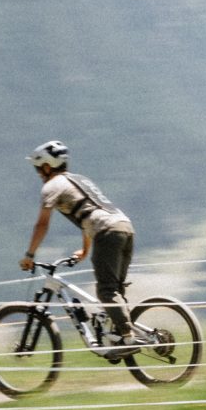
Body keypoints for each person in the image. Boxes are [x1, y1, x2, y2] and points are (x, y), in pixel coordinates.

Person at [21, 139, 136, 348]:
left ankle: (128, 337)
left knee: (106, 291)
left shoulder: (51, 187)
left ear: (47, 167)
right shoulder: (78, 180)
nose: (38, 174)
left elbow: (42, 225)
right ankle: (120, 337)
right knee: (116, 290)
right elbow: (89, 215)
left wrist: (29, 255)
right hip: (124, 226)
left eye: (39, 169)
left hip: (107, 232)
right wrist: (85, 249)